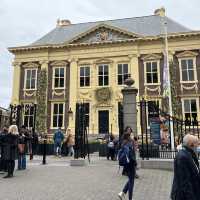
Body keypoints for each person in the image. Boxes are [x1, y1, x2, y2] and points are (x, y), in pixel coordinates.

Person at [171, 134, 200, 200]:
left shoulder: (190, 154)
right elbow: (185, 182)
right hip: (184, 196)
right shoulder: (183, 157)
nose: (198, 146)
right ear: (191, 144)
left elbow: (195, 171)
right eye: (197, 144)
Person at [118, 132, 136, 200]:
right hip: (130, 164)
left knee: (130, 179)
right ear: (128, 137)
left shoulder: (123, 143)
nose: (132, 136)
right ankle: (130, 198)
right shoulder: (129, 143)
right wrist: (135, 163)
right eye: (131, 135)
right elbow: (131, 155)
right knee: (131, 182)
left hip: (126, 164)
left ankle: (122, 193)